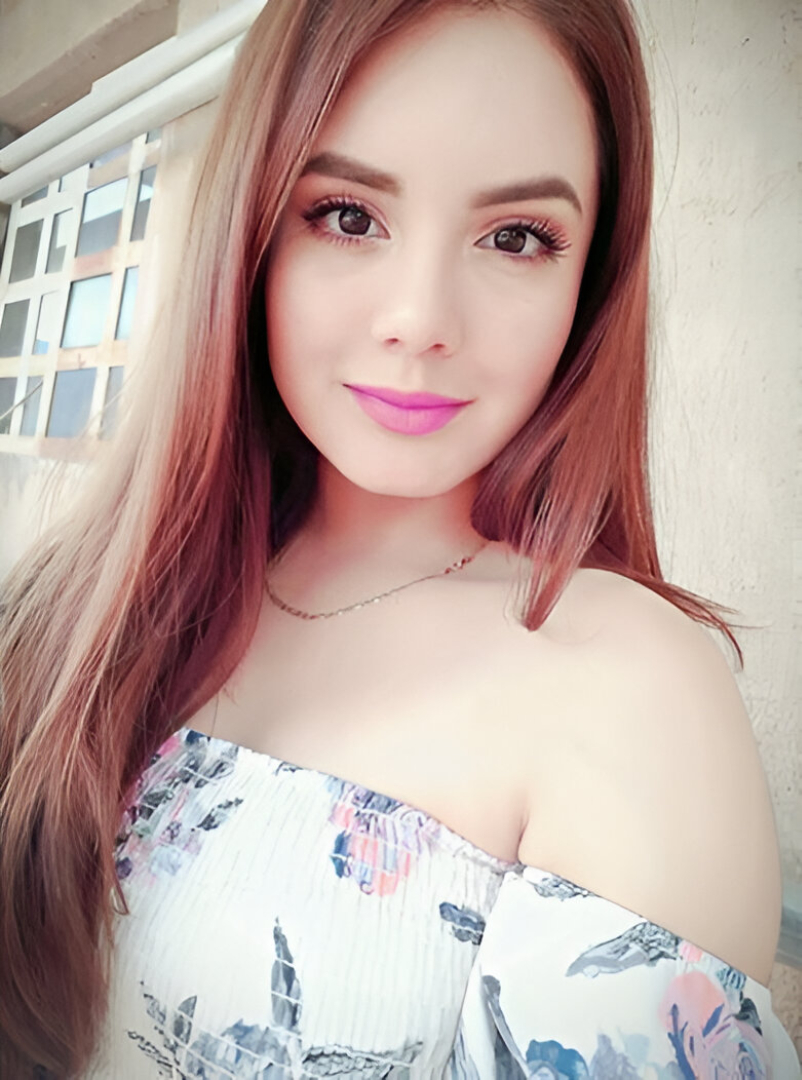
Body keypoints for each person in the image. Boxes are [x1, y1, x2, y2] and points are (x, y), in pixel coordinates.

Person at [0, 0, 799, 1076]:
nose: (420, 319)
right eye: (346, 215)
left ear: (591, 278)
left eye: (515, 237)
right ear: (250, 229)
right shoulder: (78, 594)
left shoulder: (629, 688)